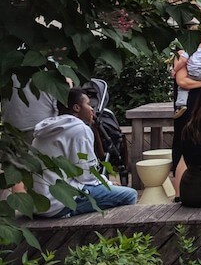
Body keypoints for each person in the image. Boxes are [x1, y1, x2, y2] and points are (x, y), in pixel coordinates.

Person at [31, 88, 137, 217]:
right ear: (76, 108)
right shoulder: (79, 129)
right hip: (60, 203)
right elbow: (86, 175)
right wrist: (107, 183)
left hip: (40, 203)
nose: (92, 109)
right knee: (129, 194)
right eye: (88, 105)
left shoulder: (46, 128)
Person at [170, 65, 201, 200]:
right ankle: (179, 194)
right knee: (183, 150)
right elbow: (182, 81)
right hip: (188, 106)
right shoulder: (183, 54)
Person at [171, 39, 201, 114]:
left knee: (182, 88)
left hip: (193, 74)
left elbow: (183, 81)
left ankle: (181, 105)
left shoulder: (188, 49)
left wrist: (174, 70)